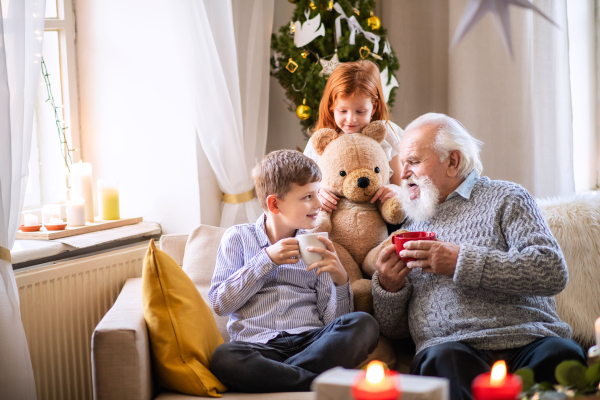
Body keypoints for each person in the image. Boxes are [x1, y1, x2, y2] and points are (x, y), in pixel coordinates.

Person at [372, 113, 586, 400]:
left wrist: (461, 261)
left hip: (529, 341)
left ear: (453, 161)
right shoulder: (409, 227)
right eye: (402, 164)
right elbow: (394, 330)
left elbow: (551, 270)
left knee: (563, 355)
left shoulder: (507, 197)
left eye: (413, 161)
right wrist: (389, 287)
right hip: (451, 348)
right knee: (440, 361)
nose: (404, 173)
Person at [209, 150, 379, 393]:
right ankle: (316, 382)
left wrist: (340, 282)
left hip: (310, 342)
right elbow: (219, 303)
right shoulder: (238, 238)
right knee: (224, 356)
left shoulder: (316, 244)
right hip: (259, 347)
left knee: (363, 324)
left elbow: (331, 322)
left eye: (317, 194)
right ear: (274, 204)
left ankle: (284, 378)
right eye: (308, 196)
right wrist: (265, 260)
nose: (318, 204)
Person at [304, 60, 402, 214]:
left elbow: (401, 185)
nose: (351, 119)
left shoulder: (386, 134)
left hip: (380, 222)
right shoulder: (322, 140)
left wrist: (393, 190)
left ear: (374, 107)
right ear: (332, 106)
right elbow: (305, 188)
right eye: (343, 111)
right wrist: (318, 193)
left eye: (360, 111)